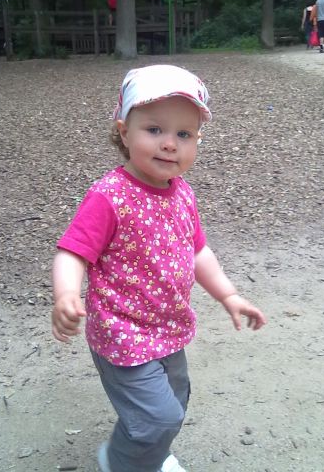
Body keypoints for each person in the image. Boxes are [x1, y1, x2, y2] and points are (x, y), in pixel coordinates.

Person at [51, 64, 267, 472]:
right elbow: (73, 252)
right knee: (158, 416)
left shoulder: (182, 193)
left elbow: (198, 252)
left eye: (184, 134)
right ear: (123, 132)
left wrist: (229, 295)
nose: (169, 143)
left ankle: (147, 452)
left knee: (174, 403)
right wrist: (65, 294)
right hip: (122, 332)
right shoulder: (109, 196)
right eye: (154, 130)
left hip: (168, 327)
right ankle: (122, 461)